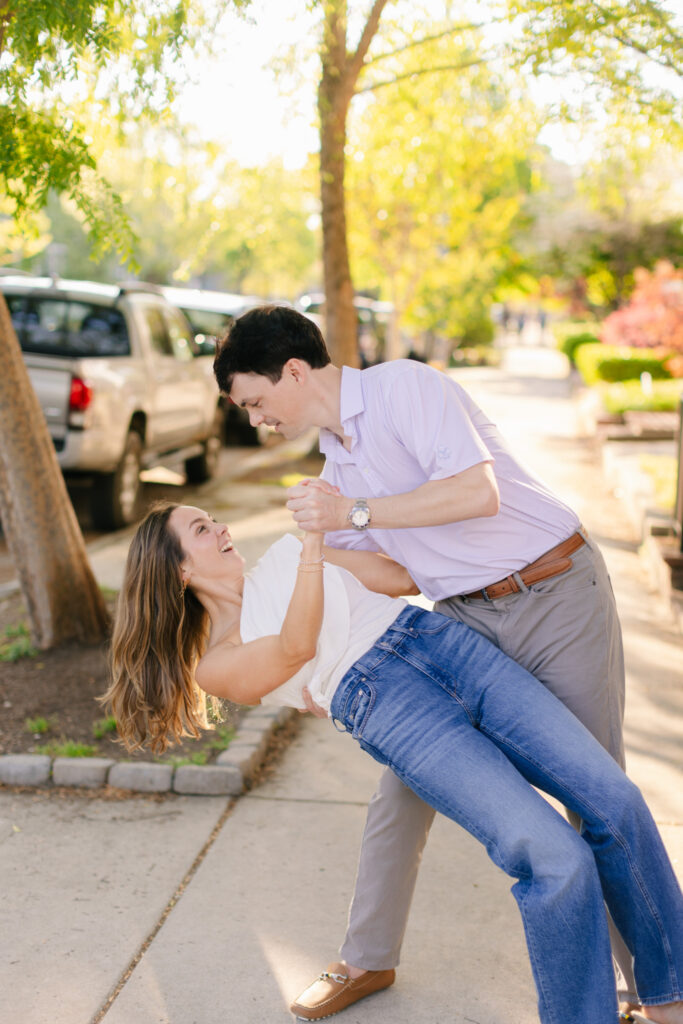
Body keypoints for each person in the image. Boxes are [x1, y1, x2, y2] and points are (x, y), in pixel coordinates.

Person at [102, 501, 683, 1024]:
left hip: (439, 641)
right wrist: (312, 548)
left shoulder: (285, 553)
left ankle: (668, 996)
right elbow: (294, 648)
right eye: (202, 529)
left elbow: (402, 579)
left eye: (213, 519)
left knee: (617, 800)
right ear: (179, 569)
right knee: (555, 857)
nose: (222, 527)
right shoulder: (217, 660)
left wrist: (359, 519)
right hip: (387, 706)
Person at [212, 305, 637, 1017]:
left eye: (254, 402)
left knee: (595, 792)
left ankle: (639, 984)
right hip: (462, 624)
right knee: (399, 796)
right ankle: (367, 958)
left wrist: (353, 513)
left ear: (291, 372)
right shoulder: (335, 468)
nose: (256, 420)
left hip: (552, 592)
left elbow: (478, 492)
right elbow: (381, 577)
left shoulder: (402, 388)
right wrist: (299, 670)